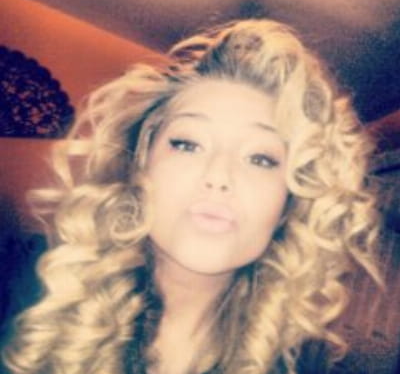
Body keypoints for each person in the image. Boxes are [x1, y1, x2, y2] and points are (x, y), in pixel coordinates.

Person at [2, 19, 381, 374]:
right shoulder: (27, 285)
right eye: (187, 144)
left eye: (261, 158)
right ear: (139, 165)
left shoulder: (295, 361)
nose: (219, 176)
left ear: (290, 203)